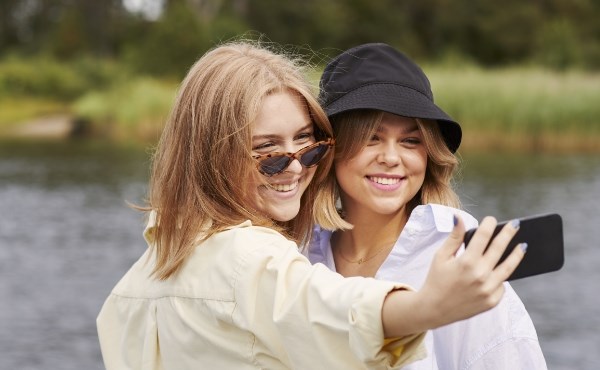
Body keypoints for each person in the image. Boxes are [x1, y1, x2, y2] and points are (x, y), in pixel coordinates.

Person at [96, 41, 526, 370]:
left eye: (307, 146)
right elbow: (329, 309)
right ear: (212, 155)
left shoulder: (138, 280)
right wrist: (425, 309)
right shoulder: (266, 258)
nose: (296, 166)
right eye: (270, 153)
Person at [308, 42, 547, 369]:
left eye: (410, 141)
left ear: (429, 154)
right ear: (331, 150)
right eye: (371, 138)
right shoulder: (300, 253)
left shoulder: (461, 256)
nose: (391, 158)